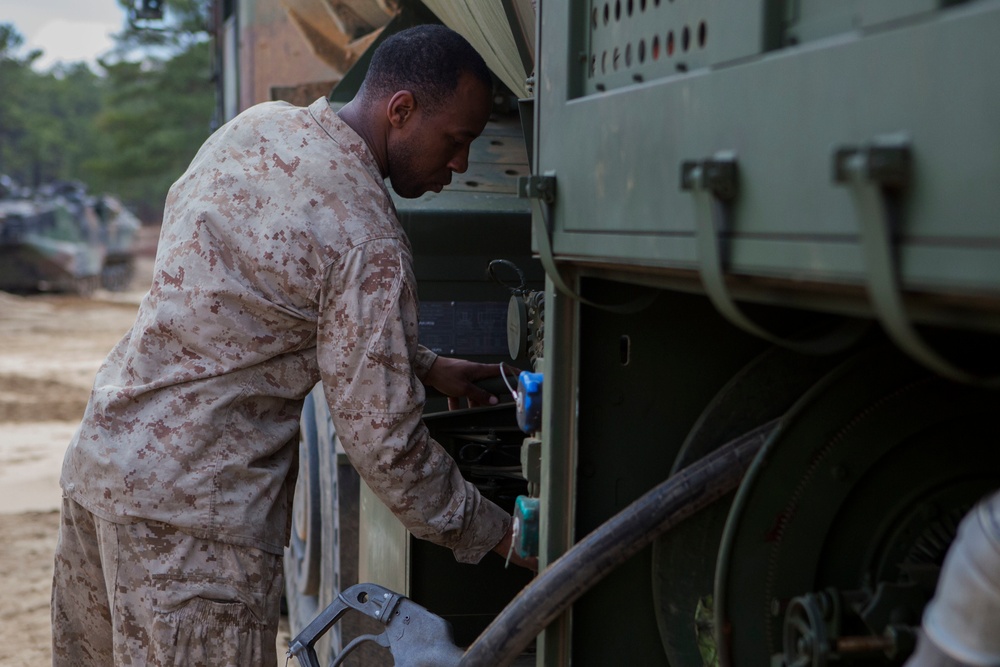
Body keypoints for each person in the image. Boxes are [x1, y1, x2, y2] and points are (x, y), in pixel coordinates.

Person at [51, 24, 536, 667]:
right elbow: (387, 449)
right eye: (457, 140)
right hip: (197, 539)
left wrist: (420, 364)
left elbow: (240, 293)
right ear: (401, 111)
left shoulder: (255, 128)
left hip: (101, 474)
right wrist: (506, 536)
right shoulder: (368, 236)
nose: (461, 164)